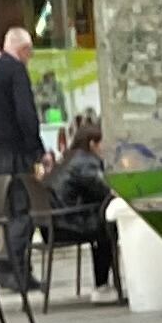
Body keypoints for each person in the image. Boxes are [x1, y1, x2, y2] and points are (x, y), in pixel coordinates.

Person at [0, 26, 43, 289]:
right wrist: (36, 149)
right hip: (14, 153)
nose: (29, 58)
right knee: (23, 211)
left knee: (9, 212)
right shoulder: (16, 71)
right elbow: (26, 114)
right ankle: (5, 263)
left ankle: (20, 273)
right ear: (23, 49)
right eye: (29, 52)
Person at [45, 113, 116, 297]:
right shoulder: (85, 162)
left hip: (52, 224)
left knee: (105, 223)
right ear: (92, 144)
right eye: (103, 143)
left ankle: (104, 284)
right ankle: (103, 285)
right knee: (110, 227)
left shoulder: (68, 159)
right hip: (70, 223)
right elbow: (106, 190)